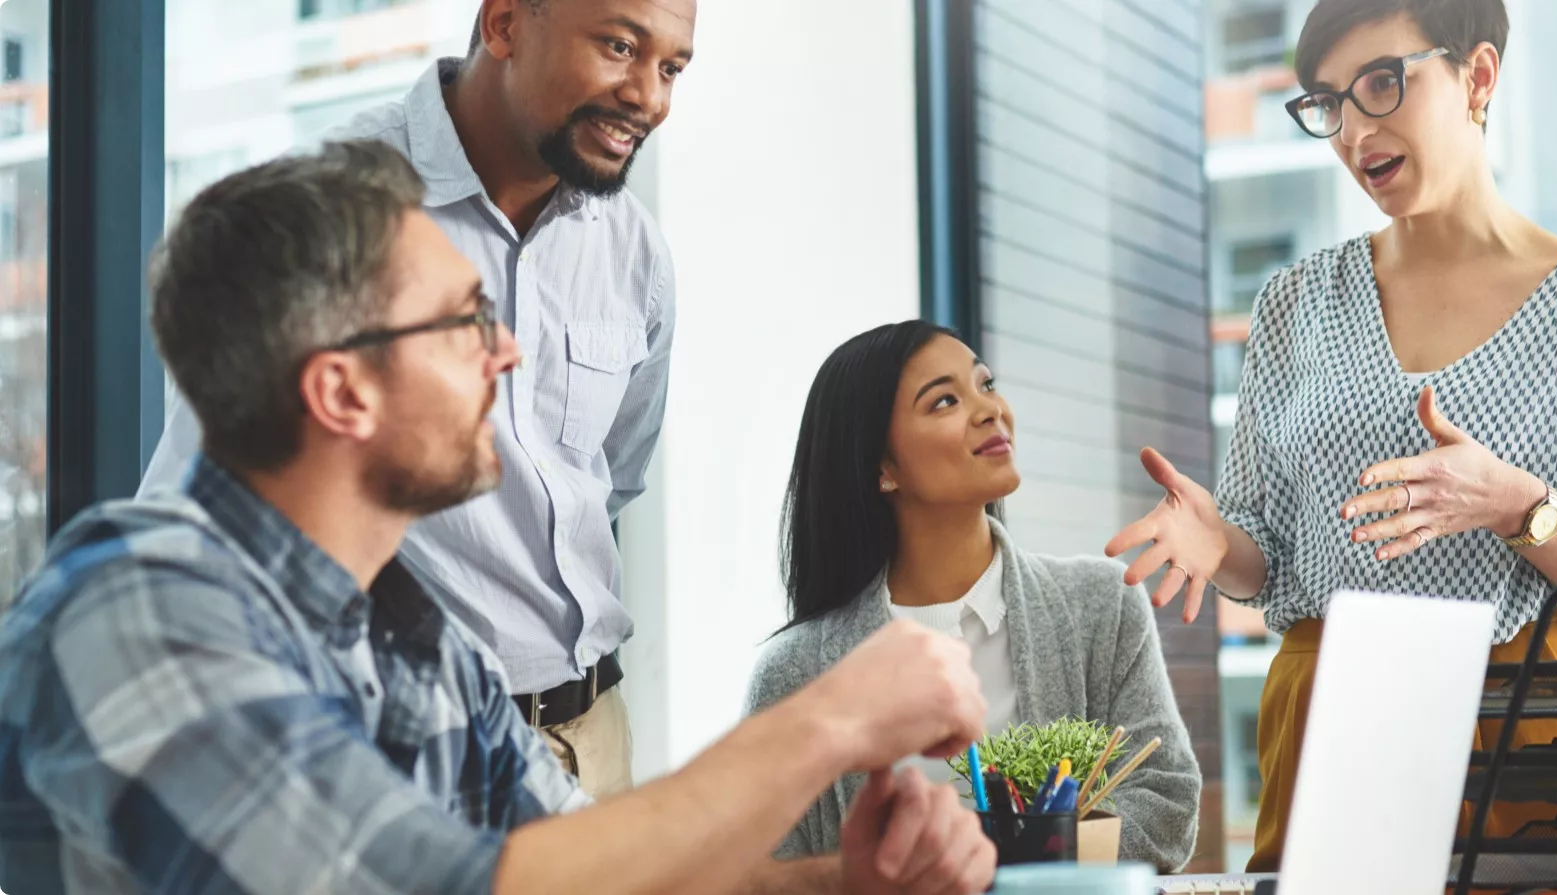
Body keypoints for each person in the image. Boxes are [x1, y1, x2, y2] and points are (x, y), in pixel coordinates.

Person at [0, 141, 997, 895]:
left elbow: (588, 866)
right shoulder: (134, 605)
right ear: (342, 391)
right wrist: (825, 720)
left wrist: (846, 881)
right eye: (468, 320)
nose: (507, 352)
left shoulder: (418, 636)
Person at [138, 0, 688, 796]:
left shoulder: (634, 250)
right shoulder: (334, 206)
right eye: (619, 46)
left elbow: (610, 481)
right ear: (504, 24)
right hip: (400, 745)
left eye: (671, 67)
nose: (649, 96)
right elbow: (208, 497)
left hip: (595, 732)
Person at [1105, 0, 1557, 873]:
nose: (1353, 130)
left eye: (1381, 83)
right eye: (1328, 102)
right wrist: (1218, 542)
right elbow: (1267, 562)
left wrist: (1513, 503)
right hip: (1333, 714)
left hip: (1525, 714)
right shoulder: (1294, 302)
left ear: (1477, 76)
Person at [745, 321, 1201, 873]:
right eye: (944, 401)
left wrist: (1012, 865)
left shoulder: (1102, 605)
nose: (990, 409)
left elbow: (1167, 802)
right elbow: (767, 873)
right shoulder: (794, 674)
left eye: (986, 384)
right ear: (883, 467)